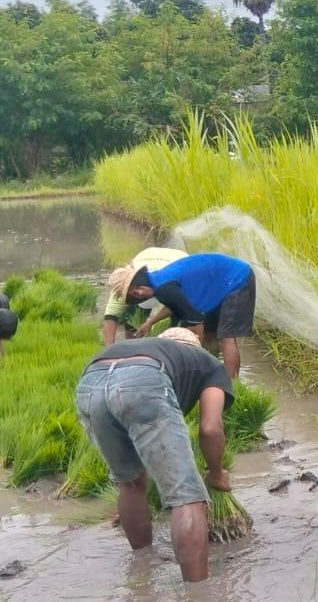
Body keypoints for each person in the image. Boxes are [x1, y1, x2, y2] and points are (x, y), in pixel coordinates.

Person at [74, 327, 234, 583]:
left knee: (130, 482)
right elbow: (210, 428)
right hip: (142, 382)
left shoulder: (145, 348)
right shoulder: (209, 364)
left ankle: (143, 570)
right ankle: (198, 594)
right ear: (196, 346)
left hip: (91, 384)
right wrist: (216, 474)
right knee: (186, 496)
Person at [111, 252, 256, 378]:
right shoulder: (158, 281)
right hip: (219, 284)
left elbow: (197, 321)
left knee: (226, 336)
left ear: (140, 281)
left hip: (237, 278)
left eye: (137, 288)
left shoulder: (163, 287)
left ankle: (231, 386)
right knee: (211, 334)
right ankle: (214, 375)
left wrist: (196, 358)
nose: (140, 293)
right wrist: (150, 323)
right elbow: (175, 304)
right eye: (135, 294)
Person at [102, 247, 189, 346]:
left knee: (180, 325)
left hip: (180, 268)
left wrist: (151, 322)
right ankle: (132, 347)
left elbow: (176, 305)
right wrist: (109, 347)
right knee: (131, 315)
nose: (139, 293)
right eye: (133, 293)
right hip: (147, 256)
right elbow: (110, 316)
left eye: (137, 289)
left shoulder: (165, 279)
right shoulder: (122, 286)